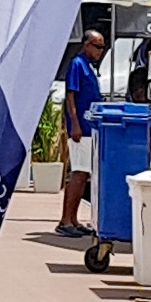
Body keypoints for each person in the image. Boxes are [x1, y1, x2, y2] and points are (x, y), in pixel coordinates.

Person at [56, 31, 106, 235]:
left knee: (83, 172)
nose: (101, 51)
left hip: (89, 128)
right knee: (78, 172)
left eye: (102, 47)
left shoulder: (89, 67)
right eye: (97, 46)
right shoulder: (77, 64)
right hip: (81, 129)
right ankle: (66, 220)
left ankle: (74, 219)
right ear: (86, 44)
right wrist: (74, 124)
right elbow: (70, 96)